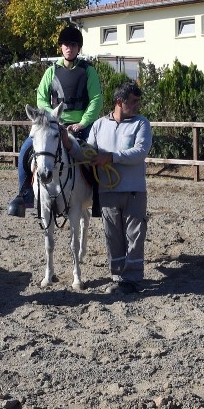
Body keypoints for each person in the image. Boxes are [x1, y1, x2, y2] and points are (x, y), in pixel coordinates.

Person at [8, 25, 103, 216]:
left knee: (95, 157)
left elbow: (96, 99)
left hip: (81, 126)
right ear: (61, 46)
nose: (69, 48)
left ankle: (99, 200)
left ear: (78, 48)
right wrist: (52, 116)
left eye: (73, 44)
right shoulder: (51, 71)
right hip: (54, 123)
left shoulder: (88, 71)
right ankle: (24, 194)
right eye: (66, 44)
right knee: (25, 150)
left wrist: (83, 123)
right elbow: (41, 97)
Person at [70, 81, 152, 294]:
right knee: (112, 235)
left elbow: (140, 151)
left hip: (134, 190)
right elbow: (86, 154)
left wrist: (111, 157)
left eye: (137, 102)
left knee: (135, 234)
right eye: (133, 102)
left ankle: (132, 279)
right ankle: (118, 277)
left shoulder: (141, 124)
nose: (137, 106)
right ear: (119, 102)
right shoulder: (98, 125)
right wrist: (68, 142)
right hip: (107, 191)